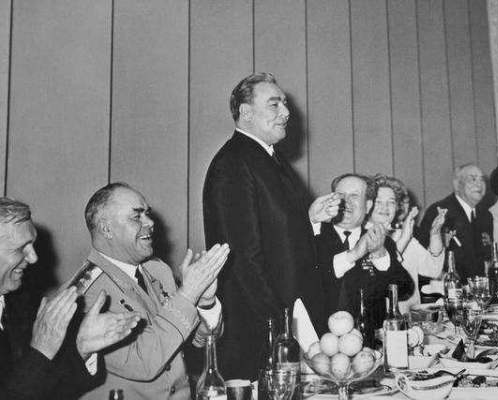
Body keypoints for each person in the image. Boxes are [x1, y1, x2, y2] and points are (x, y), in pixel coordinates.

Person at [203, 73, 341, 380]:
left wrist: (310, 220)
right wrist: (279, 329)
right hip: (263, 330)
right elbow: (243, 259)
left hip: (289, 316)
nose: (287, 112)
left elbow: (273, 236)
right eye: (274, 104)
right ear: (246, 112)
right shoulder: (233, 163)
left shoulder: (268, 158)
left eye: (285, 104)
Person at [67, 182, 229, 400]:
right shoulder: (83, 295)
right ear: (106, 229)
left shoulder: (158, 271)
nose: (150, 223)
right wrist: (187, 295)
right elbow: (142, 363)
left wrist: (205, 302)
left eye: (147, 214)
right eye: (137, 217)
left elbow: (199, 341)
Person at [0, 197, 140, 400]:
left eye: (32, 245)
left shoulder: (18, 304)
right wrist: (41, 350)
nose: (34, 257)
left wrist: (82, 348)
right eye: (21, 248)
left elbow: (48, 391)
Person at [315, 173, 414, 328]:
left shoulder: (381, 240)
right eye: (340, 195)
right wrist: (353, 255)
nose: (346, 202)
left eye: (354, 196)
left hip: (370, 338)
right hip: (323, 337)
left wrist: (380, 256)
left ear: (368, 206)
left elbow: (405, 289)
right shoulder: (315, 237)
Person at [367, 174, 446, 308]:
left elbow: (433, 270)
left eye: (391, 202)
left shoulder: (401, 234)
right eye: (378, 202)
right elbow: (379, 280)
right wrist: (404, 239)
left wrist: (435, 233)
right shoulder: (361, 238)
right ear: (368, 205)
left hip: (410, 317)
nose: (385, 207)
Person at [418, 164, 494, 282]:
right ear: (457, 185)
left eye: (482, 179)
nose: (479, 184)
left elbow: (487, 255)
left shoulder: (485, 215)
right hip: (447, 286)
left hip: (479, 285)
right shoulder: (440, 212)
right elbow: (425, 257)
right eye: (473, 179)